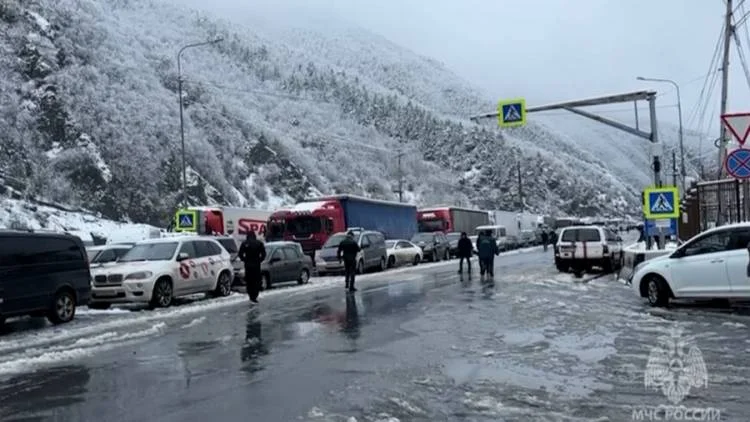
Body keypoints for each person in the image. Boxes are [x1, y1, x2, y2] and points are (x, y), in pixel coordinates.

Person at [238, 231, 266, 303]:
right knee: (256, 280)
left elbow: (240, 254)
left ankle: (251, 295)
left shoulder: (245, 243)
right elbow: (263, 254)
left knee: (249, 280)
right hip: (256, 265)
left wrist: (245, 260)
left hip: (248, 265)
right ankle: (255, 295)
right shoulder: (259, 243)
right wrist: (259, 260)